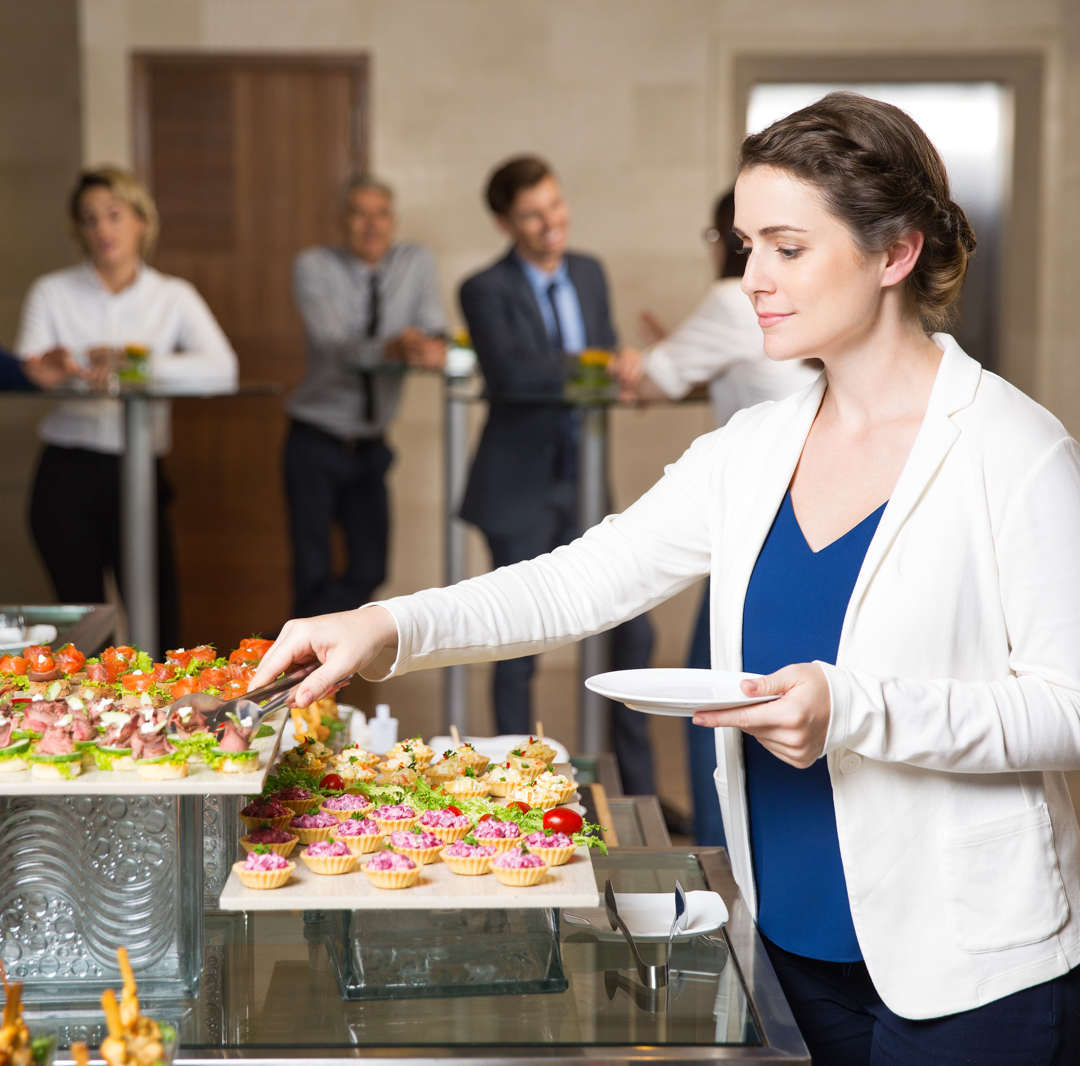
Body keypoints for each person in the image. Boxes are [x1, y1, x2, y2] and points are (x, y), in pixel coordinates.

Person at [253, 93, 1080, 1062]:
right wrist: (383, 623)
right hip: (791, 951)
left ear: (895, 253)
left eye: (786, 247)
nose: (751, 280)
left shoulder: (1014, 449)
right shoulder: (754, 448)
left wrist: (853, 709)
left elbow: (1068, 707)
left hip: (974, 970)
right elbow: (578, 581)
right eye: (744, 246)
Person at [613, 192, 819, 845]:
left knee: (712, 691)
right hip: (804, 519)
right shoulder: (794, 304)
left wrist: (644, 359)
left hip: (766, 523)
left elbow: (648, 381)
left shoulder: (734, 297)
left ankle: (718, 853)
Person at [457, 155, 656, 793]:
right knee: (519, 643)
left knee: (633, 632)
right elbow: (513, 374)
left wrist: (616, 361)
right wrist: (598, 362)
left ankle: (631, 789)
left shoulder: (591, 272)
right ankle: (514, 789)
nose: (551, 223)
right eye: (532, 215)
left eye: (555, 205)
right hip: (519, 486)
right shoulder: (483, 289)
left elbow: (598, 352)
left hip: (588, 477)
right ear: (504, 222)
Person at [16, 167, 237, 650]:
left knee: (159, 619)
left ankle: (163, 723)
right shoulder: (52, 291)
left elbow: (224, 369)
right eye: (90, 219)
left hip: (138, 473)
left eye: (114, 215)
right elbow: (28, 368)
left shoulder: (172, 295)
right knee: (85, 627)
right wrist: (50, 367)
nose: (102, 229)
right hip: (66, 472)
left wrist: (135, 362)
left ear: (141, 220)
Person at [286, 174, 446, 618]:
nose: (371, 225)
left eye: (381, 214)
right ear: (342, 221)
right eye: (360, 214)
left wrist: (430, 346)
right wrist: (393, 349)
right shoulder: (314, 265)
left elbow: (434, 325)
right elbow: (335, 346)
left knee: (371, 568)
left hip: (372, 444)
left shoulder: (414, 262)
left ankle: (324, 640)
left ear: (393, 221)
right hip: (316, 439)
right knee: (311, 570)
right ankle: (303, 679)